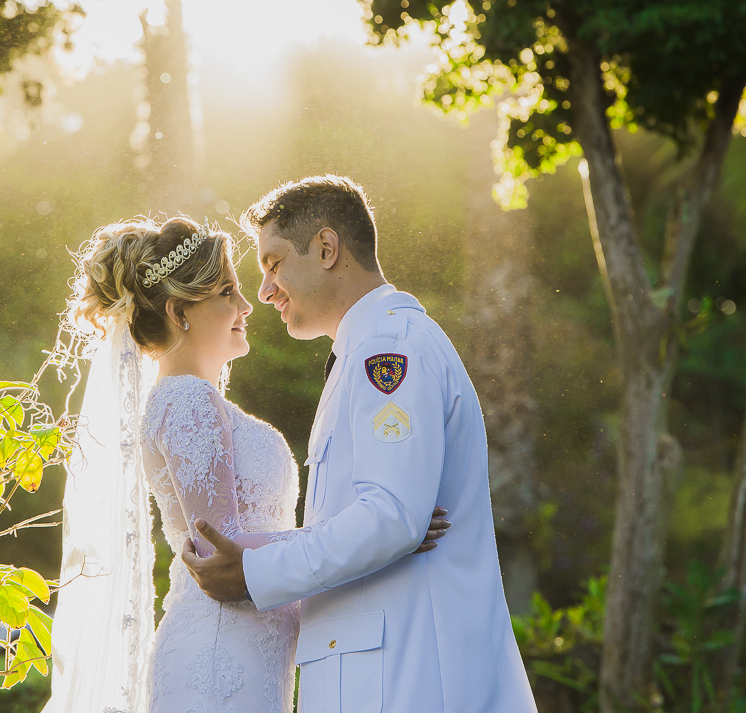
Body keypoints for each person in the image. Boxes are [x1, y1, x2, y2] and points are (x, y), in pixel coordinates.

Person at [42, 215, 448, 713]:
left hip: (241, 648)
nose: (245, 305)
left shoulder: (186, 400)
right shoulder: (189, 400)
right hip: (219, 658)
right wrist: (373, 534)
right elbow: (219, 544)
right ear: (180, 311)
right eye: (227, 293)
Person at [180, 177, 538, 713]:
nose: (264, 291)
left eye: (274, 263)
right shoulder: (364, 350)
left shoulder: (387, 350)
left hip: (404, 677)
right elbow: (388, 518)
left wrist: (256, 575)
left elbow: (393, 515)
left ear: (326, 250)